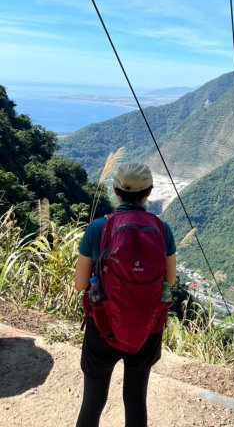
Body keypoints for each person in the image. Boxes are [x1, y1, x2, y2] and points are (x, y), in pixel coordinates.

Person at [74, 162, 176, 427]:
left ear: (116, 191)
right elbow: (171, 279)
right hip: (147, 327)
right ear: (150, 191)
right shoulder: (163, 230)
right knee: (135, 400)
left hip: (103, 322)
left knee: (93, 402)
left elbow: (80, 283)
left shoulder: (97, 228)